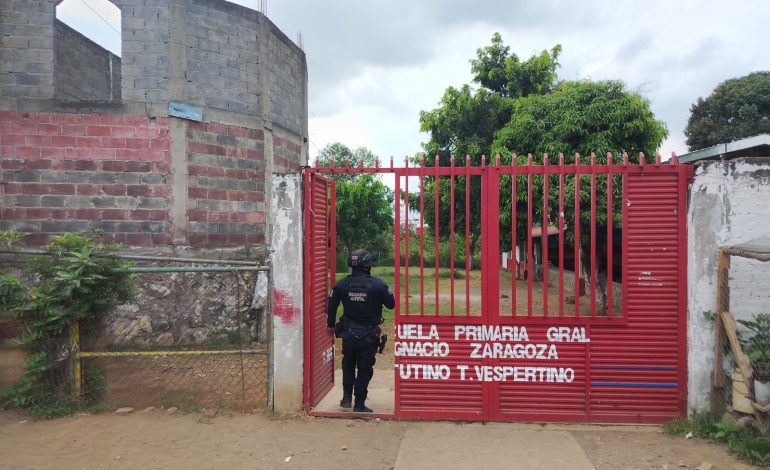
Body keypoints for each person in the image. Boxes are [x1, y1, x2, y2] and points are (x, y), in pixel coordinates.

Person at [327, 248, 395, 412]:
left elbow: (332, 306)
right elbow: (391, 305)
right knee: (364, 368)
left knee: (348, 364)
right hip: (369, 335)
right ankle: (359, 404)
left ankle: (346, 398)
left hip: (348, 333)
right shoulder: (378, 285)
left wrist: (330, 325)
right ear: (368, 265)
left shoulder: (342, 284)